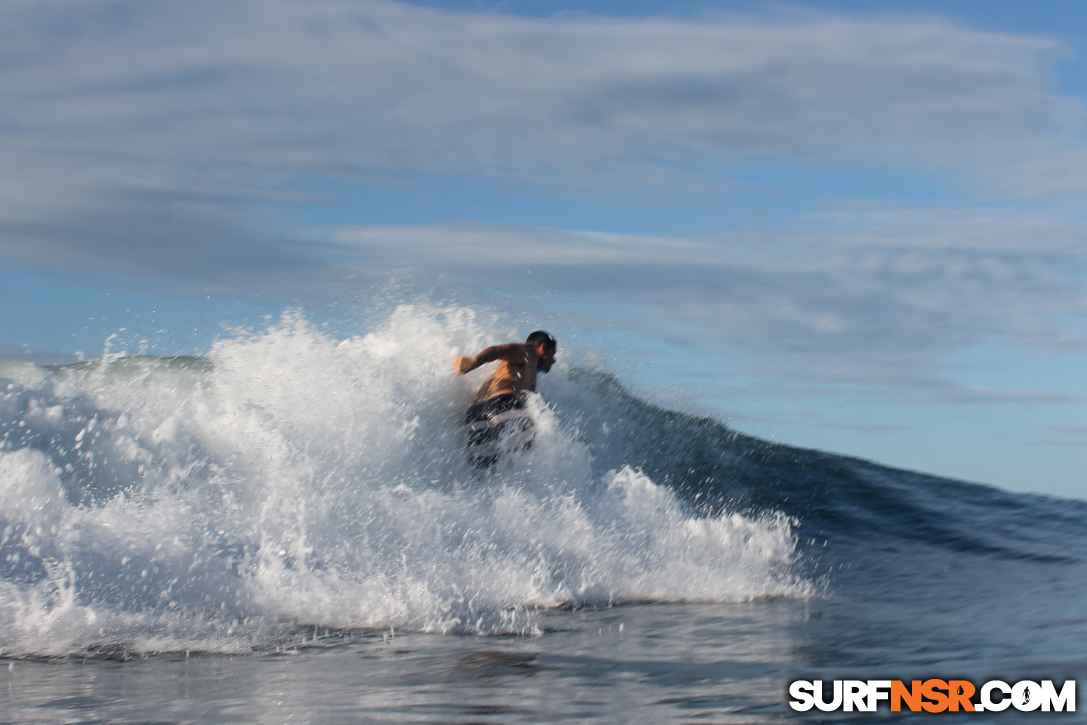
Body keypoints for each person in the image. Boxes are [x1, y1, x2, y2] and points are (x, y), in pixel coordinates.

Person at [453, 331, 557, 468]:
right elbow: (498, 350)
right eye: (552, 354)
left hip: (476, 414)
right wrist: (473, 363)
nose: (553, 360)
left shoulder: (517, 370)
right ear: (543, 347)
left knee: (484, 470)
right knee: (534, 442)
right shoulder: (530, 353)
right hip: (502, 404)